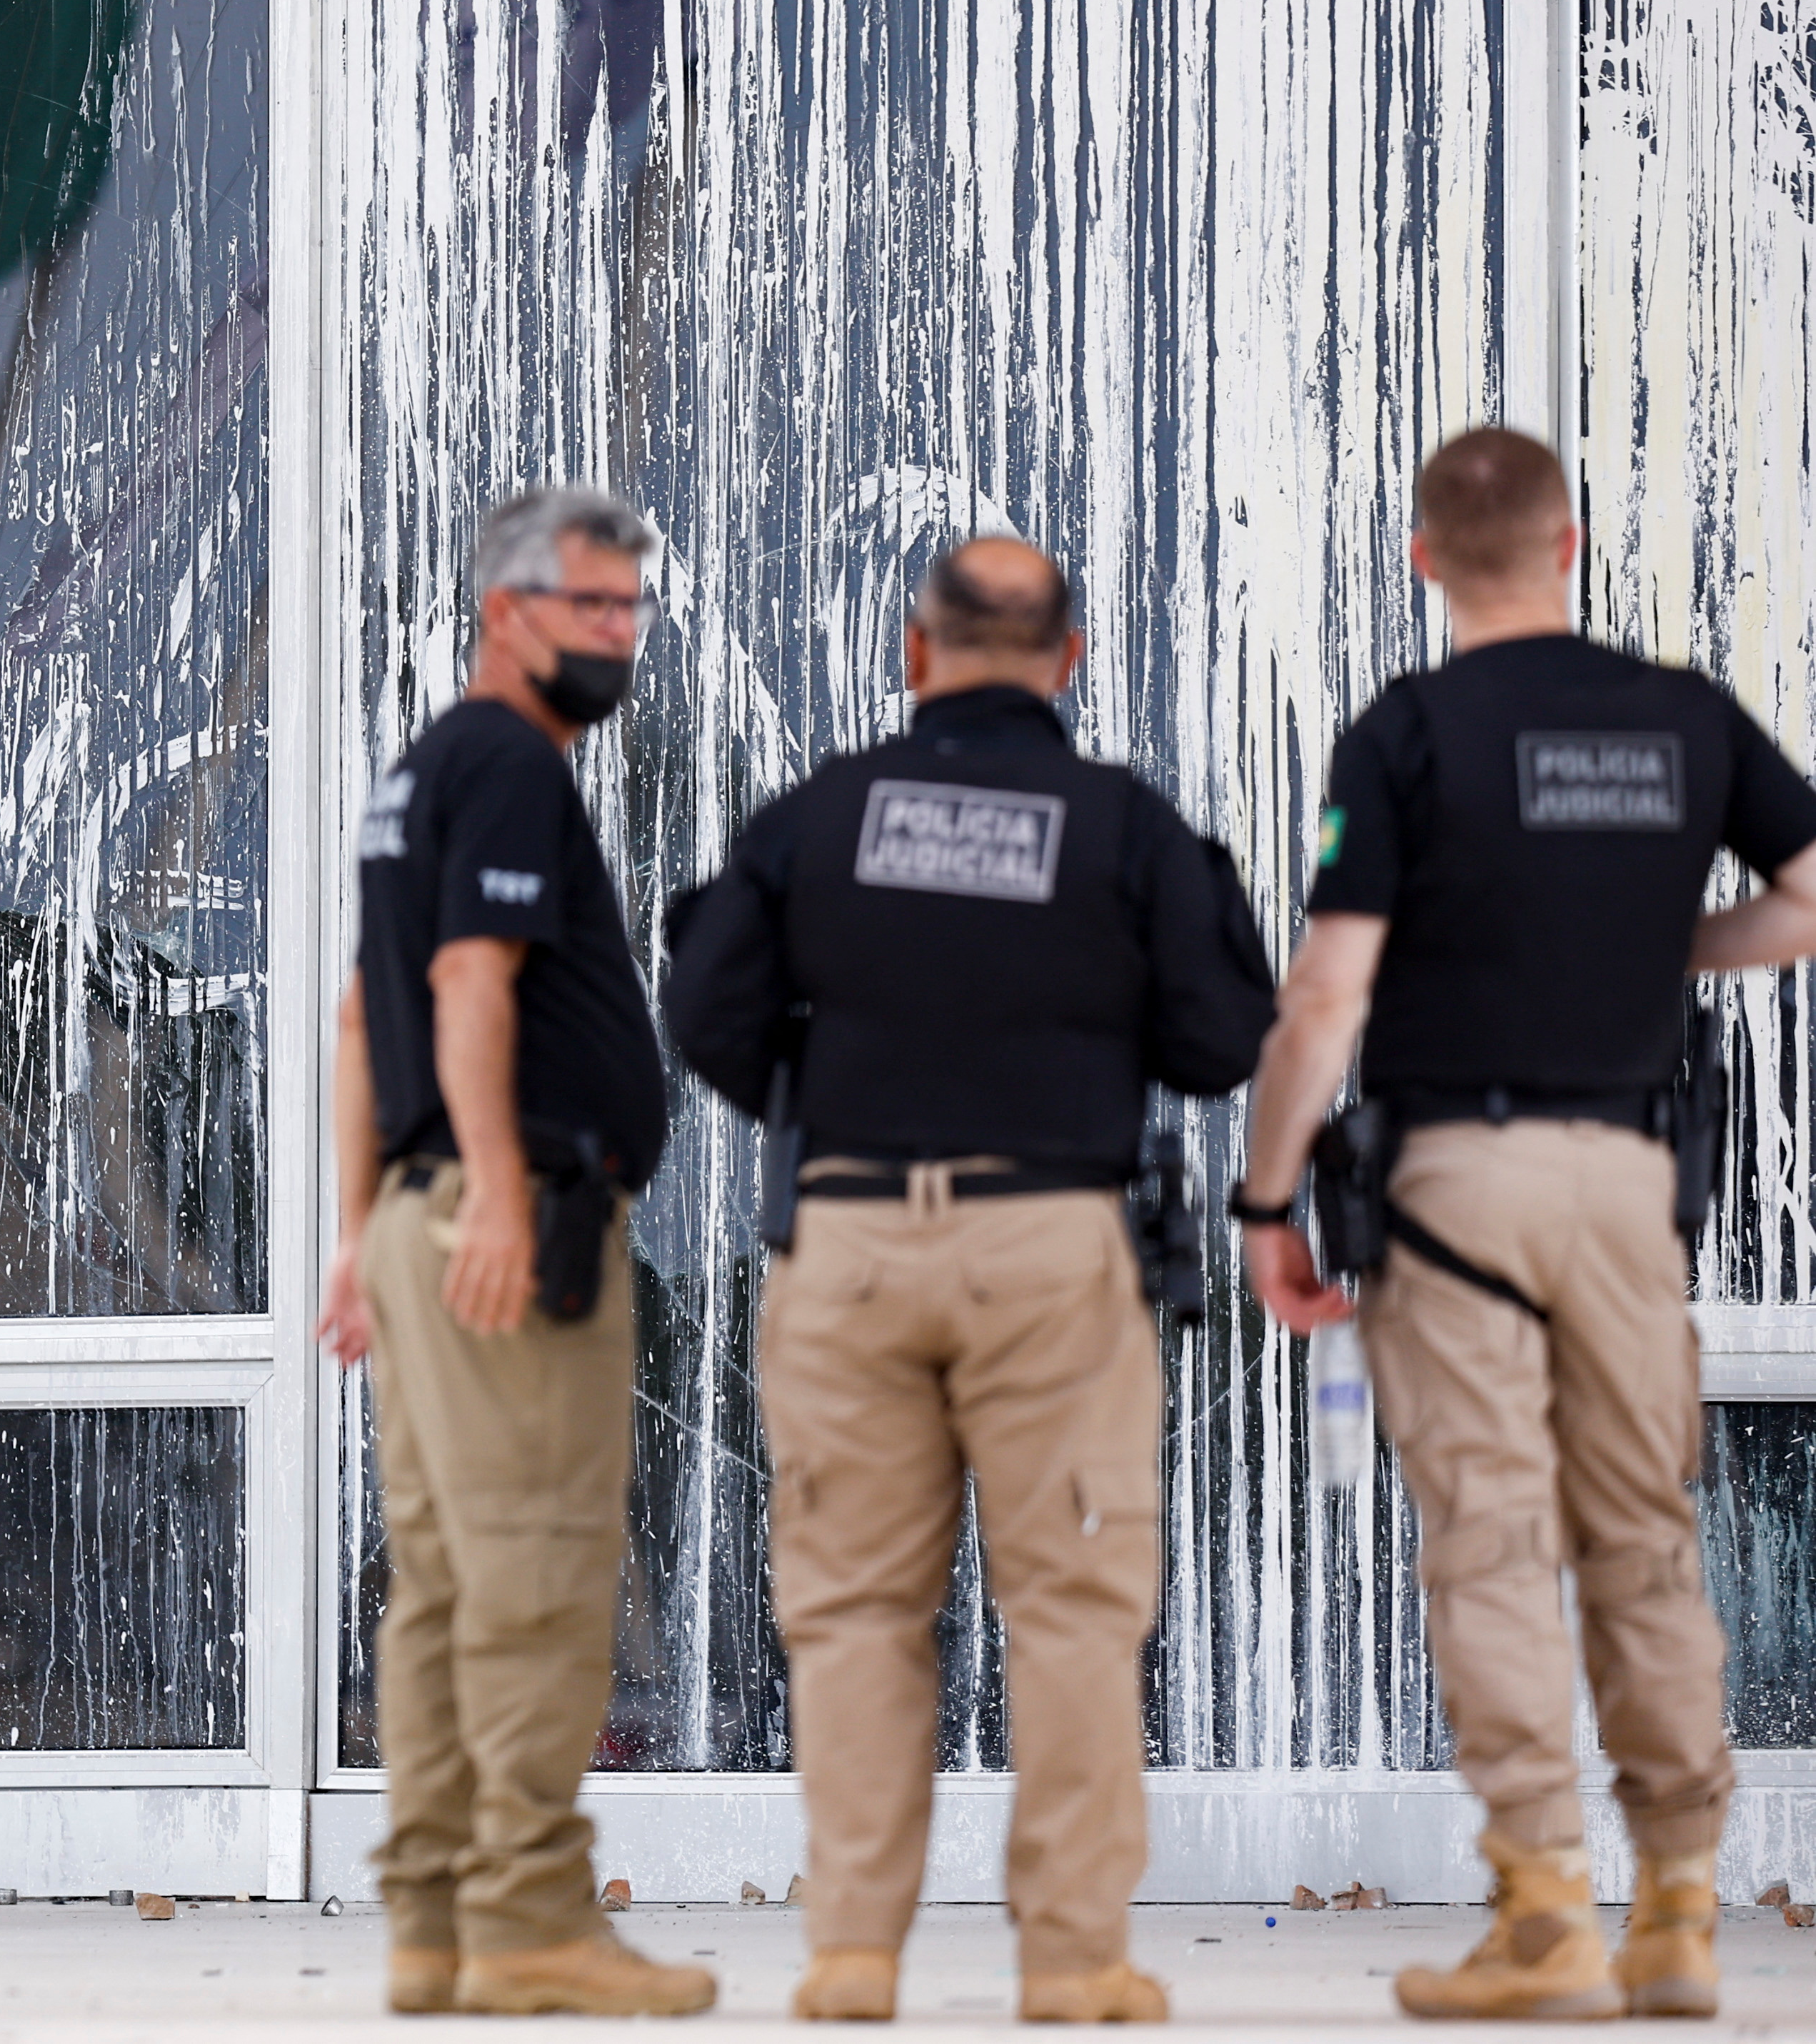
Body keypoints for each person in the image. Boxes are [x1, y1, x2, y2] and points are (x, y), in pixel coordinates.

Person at [1237, 428, 1816, 2021]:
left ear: (1426, 560)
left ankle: (1546, 1914)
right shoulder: (1687, 718)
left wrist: (1265, 1197)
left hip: (1456, 1191)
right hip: (1627, 1186)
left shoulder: (1405, 732)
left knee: (1490, 1537)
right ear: (1568, 546)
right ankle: (1679, 1911)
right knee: (1642, 1532)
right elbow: (1806, 897)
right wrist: (1658, 945)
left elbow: (1328, 994)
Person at [663, 537, 1274, 2024]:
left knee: (854, 1610)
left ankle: (852, 1955)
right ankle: (1071, 1961)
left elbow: (705, 1007)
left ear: (912, 652)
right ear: (1068, 660)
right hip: (1048, 1242)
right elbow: (1220, 1038)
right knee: (1072, 1607)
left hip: (850, 1245)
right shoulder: (1124, 830)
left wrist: (833, 1100)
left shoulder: (819, 818)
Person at [321, 485, 716, 2021]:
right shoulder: (502, 762)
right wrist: (494, 1190)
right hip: (512, 1223)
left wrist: (361, 1236)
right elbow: (469, 987)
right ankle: (533, 1920)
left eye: (631, 610)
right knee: (540, 1574)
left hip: (422, 1219)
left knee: (439, 1585)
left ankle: (436, 1928)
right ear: (505, 613)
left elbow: (364, 1021)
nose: (619, 637)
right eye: (590, 607)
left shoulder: (421, 772)